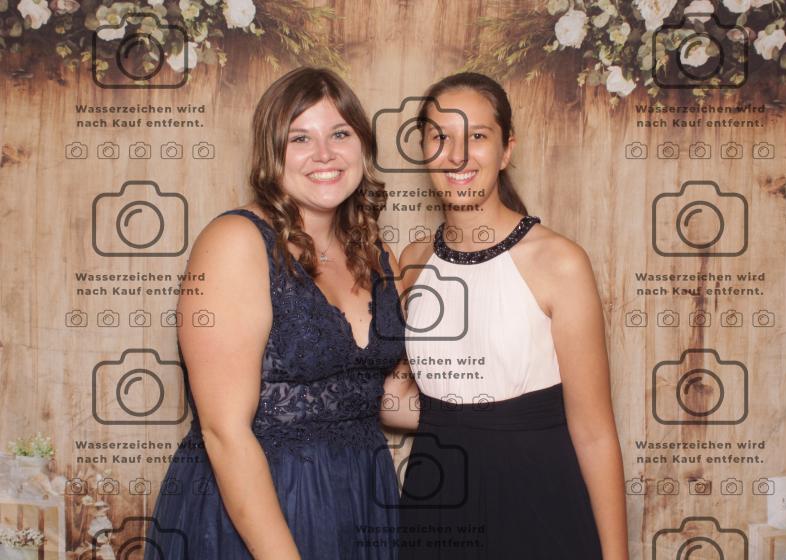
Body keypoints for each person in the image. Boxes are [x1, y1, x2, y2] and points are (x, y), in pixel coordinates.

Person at [144, 67, 408, 559]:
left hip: (359, 500)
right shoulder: (236, 242)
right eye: (300, 138)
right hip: (260, 510)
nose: (324, 154)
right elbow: (224, 432)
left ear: (363, 146)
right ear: (272, 152)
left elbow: (376, 396)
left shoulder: (375, 253)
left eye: (340, 134)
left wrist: (500, 413)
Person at [395, 72, 629, 559]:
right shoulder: (412, 261)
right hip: (436, 499)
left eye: (477, 137)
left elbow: (594, 433)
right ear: (423, 149)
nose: (458, 156)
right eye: (441, 137)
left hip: (537, 498)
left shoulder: (560, 262)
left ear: (506, 151)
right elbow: (402, 399)